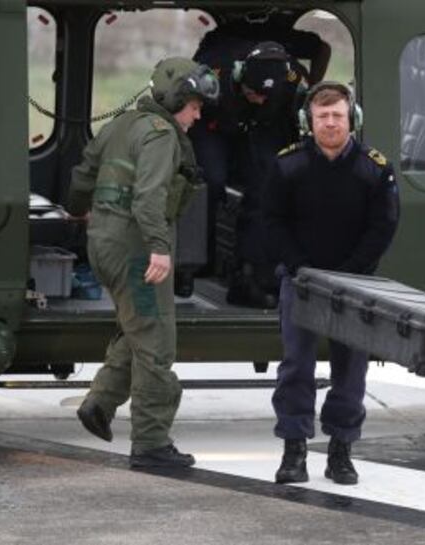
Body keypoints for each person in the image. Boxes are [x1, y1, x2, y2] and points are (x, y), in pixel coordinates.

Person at [66, 57, 219, 469]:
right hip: (137, 250)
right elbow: (149, 197)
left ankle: (100, 403)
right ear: (175, 101)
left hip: (104, 244)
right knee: (156, 343)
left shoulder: (120, 124)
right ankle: (151, 443)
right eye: (195, 106)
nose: (198, 114)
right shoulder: (161, 135)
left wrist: (79, 210)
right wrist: (159, 247)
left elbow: (83, 175)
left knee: (137, 327)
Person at [264, 82, 400, 485]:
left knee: (351, 370)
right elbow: (271, 221)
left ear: (352, 119)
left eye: (337, 115)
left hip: (354, 284)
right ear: (309, 121)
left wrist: (353, 269)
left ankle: (341, 450)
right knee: (295, 367)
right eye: (322, 116)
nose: (330, 123)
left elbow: (384, 225)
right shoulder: (288, 165)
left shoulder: (375, 169)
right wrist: (299, 265)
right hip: (301, 281)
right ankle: (294, 451)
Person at [191, 30, 326, 308]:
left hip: (262, 126)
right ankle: (198, 261)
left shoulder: (293, 79)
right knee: (211, 180)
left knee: (266, 187)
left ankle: (251, 273)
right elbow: (188, 105)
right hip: (215, 123)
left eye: (266, 96)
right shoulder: (216, 68)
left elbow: (317, 66)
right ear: (240, 79)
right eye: (253, 93)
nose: (259, 98)